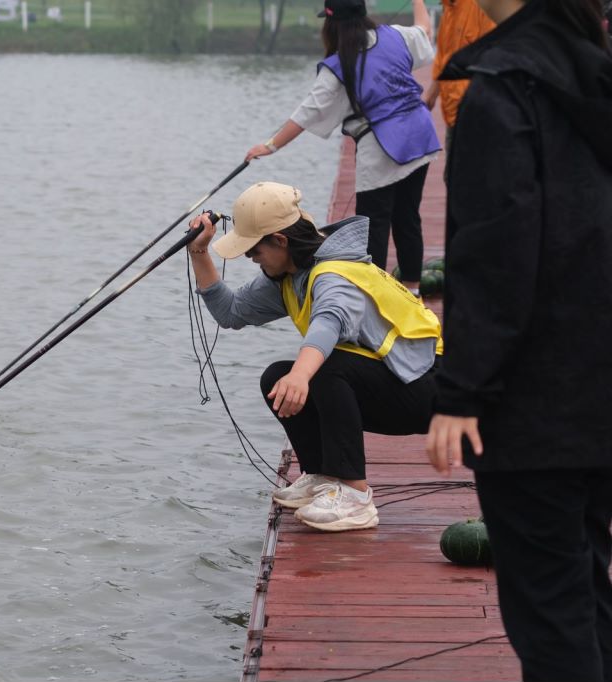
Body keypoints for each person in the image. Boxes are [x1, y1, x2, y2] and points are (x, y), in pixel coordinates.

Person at [424, 1, 612, 679]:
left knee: (550, 615)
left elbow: (495, 254)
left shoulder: (502, 88)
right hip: (598, 385)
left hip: (535, 404)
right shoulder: (592, 69)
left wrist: (461, 392)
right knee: (584, 585)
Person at [189, 181, 443, 532]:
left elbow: (328, 324)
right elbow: (230, 313)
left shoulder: (335, 274)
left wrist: (301, 374)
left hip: (431, 390)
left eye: (254, 251)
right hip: (393, 383)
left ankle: (355, 496)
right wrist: (199, 252)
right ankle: (323, 476)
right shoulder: (287, 273)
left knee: (321, 369)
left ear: (280, 241)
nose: (251, 259)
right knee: (277, 377)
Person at [245, 0, 440, 297]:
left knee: (372, 226)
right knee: (408, 218)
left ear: (331, 24)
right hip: (420, 136)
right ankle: (413, 291)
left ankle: (372, 295)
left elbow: (306, 113)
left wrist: (270, 145)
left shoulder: (339, 64)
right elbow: (424, 30)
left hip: (383, 146)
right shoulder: (396, 35)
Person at [422, 0, 495, 155]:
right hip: (454, 114)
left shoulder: (481, 7)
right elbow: (445, 58)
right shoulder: (449, 8)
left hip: (477, 114)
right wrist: (432, 94)